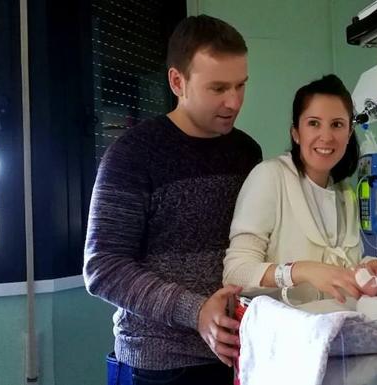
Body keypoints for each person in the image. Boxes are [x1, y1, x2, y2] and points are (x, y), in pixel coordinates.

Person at [84, 15, 262, 384]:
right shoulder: (132, 154)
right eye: (218, 88)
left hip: (240, 350)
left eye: (240, 86)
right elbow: (103, 267)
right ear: (177, 81)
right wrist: (195, 311)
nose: (233, 101)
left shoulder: (247, 152)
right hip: (161, 362)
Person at [223, 74, 377, 306]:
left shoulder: (345, 193)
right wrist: (301, 270)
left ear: (349, 133)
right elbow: (236, 273)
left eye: (337, 124)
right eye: (314, 123)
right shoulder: (270, 177)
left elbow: (335, 270)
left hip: (335, 329)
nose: (326, 136)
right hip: (284, 334)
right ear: (296, 133)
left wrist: (365, 266)